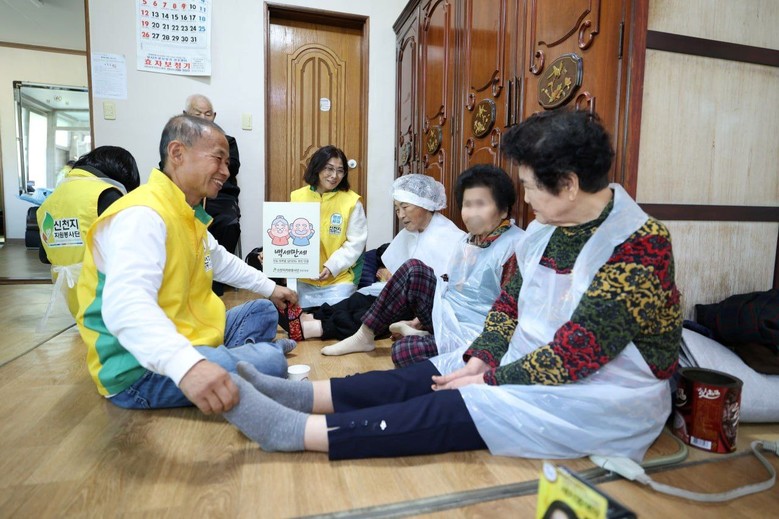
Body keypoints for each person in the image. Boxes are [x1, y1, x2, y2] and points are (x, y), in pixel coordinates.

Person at [222, 108, 682, 462]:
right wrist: (481, 357)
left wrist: (488, 376)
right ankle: (304, 396)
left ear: (568, 184)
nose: (524, 198)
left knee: (451, 403)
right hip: (526, 362)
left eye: (529, 187)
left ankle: (297, 432)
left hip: (599, 395)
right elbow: (508, 308)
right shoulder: (546, 230)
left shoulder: (639, 245)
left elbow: (578, 353)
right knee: (428, 374)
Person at [76, 114, 298, 415]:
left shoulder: (185, 211)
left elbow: (221, 261)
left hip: (188, 336)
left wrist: (272, 289)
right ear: (177, 153)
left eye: (227, 163)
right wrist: (187, 366)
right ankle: (243, 359)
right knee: (272, 363)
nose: (225, 171)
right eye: (218, 159)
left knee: (263, 309)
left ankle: (232, 360)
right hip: (141, 369)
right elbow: (126, 306)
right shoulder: (143, 215)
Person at [321, 165, 524, 366]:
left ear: (503, 209)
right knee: (413, 269)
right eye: (466, 205)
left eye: (480, 204)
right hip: (448, 316)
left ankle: (419, 335)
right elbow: (451, 284)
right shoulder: (468, 240)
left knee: (403, 351)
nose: (471, 213)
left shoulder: (515, 248)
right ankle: (364, 336)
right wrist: (421, 320)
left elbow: (514, 314)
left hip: (479, 333)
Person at [292, 173, 465, 342]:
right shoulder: (410, 233)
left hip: (425, 308)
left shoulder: (450, 237)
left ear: (425, 204)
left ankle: (319, 327)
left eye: (405, 207)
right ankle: (312, 316)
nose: (400, 215)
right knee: (360, 298)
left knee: (373, 312)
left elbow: (450, 289)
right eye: (397, 209)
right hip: (400, 296)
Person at [37, 146, 140, 318]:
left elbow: (44, 256)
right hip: (108, 299)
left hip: (74, 301)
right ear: (124, 174)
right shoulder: (106, 195)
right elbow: (132, 250)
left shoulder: (50, 201)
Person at [290, 145, 368, 308]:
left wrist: (332, 266)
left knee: (335, 316)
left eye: (340, 171)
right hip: (304, 278)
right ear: (317, 167)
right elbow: (289, 236)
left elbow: (355, 244)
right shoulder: (297, 197)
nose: (334, 176)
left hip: (338, 279)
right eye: (329, 168)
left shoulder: (352, 202)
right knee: (297, 315)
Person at [184, 94, 241, 296]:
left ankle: (215, 280)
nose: (203, 118)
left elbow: (233, 167)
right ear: (186, 115)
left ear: (214, 116)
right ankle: (190, 276)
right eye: (197, 113)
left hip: (221, 195)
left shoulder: (226, 141)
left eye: (207, 114)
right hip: (190, 196)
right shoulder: (180, 142)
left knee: (228, 222)